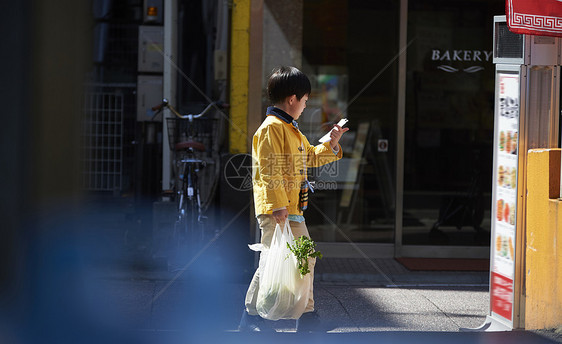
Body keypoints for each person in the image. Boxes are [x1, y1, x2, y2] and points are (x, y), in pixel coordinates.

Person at [239, 66, 348, 332]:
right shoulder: (272, 128)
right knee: (285, 260)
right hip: (280, 209)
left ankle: (282, 318)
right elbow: (268, 170)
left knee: (298, 258)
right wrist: (276, 206)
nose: (305, 105)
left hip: (289, 208)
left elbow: (309, 157)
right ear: (292, 99)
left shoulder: (289, 129)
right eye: (305, 100)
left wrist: (332, 143)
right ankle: (265, 318)